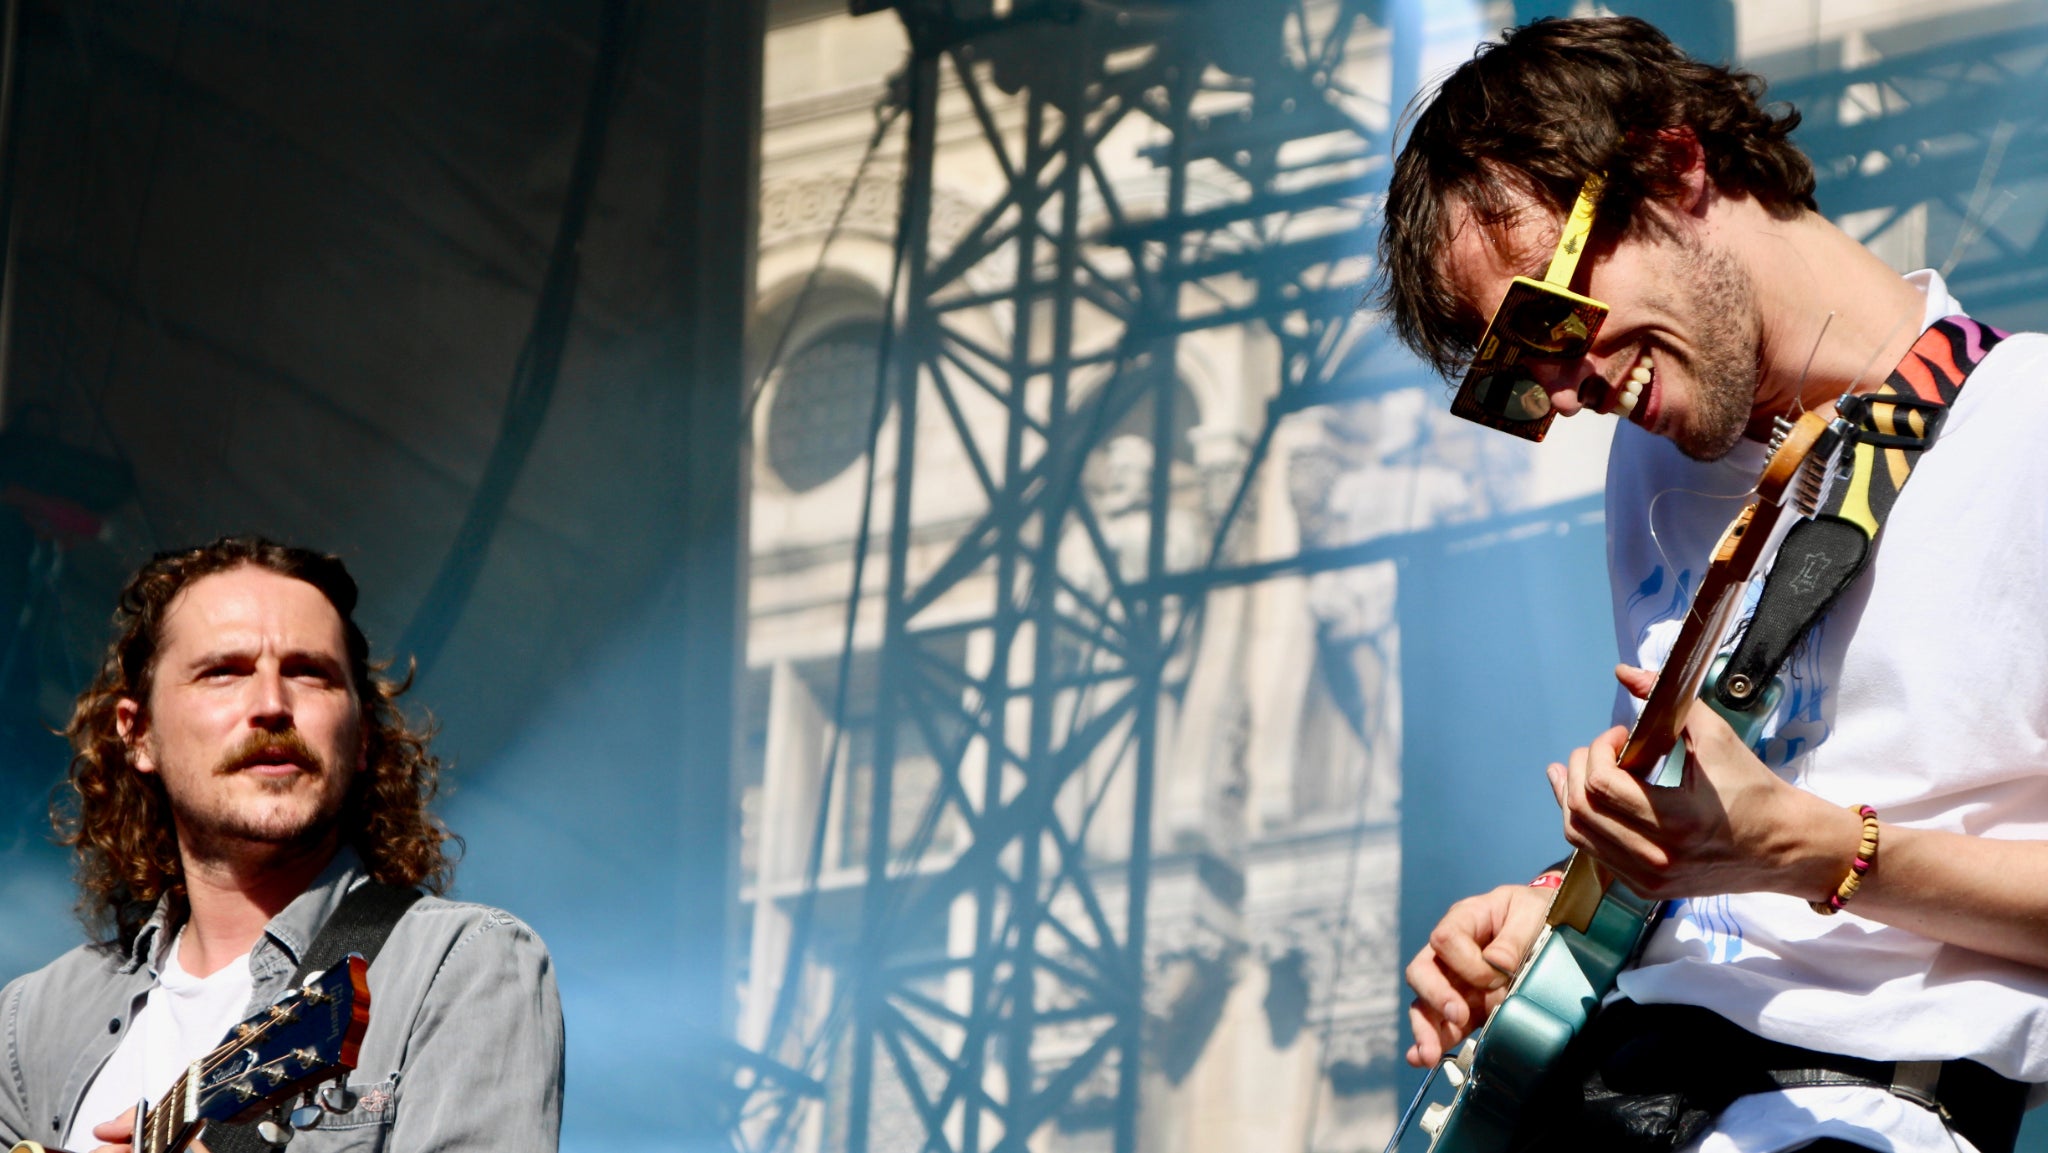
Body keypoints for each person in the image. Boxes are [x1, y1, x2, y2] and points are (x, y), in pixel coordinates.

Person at [1375, 16, 2048, 1153]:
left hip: (1856, 1112)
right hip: (1623, 1087)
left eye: (1549, 318)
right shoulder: (1656, 461)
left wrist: (1807, 847)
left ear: (1674, 167)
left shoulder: (2023, 430)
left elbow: (1773, 829)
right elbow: (1713, 834)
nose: (1564, 386)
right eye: (1514, 375)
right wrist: (1557, 904)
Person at [0, 536, 564, 1153]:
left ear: (363, 738)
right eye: (223, 672)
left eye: (309, 674)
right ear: (139, 735)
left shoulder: (459, 967)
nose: (272, 705)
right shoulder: (32, 1022)